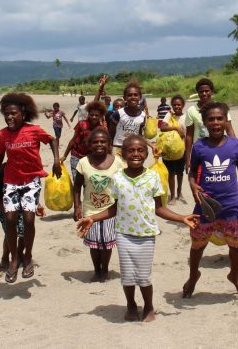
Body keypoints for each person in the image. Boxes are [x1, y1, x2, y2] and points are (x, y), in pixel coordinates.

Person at [77, 134, 197, 322]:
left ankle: (148, 306)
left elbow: (160, 208)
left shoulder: (153, 177)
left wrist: (182, 218)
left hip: (146, 234)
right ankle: (131, 305)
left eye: (140, 150)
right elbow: (114, 209)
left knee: (143, 276)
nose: (136, 153)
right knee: (127, 276)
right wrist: (93, 218)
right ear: (123, 154)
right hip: (124, 234)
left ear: (146, 153)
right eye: (131, 150)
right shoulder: (117, 179)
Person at [182, 102, 238, 298]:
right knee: (197, 244)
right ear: (205, 122)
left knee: (236, 244)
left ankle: (234, 276)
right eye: (211, 119)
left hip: (231, 205)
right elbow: (192, 173)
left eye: (220, 119)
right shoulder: (199, 147)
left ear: (226, 121)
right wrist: (193, 186)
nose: (216, 123)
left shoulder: (235, 145)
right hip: (206, 205)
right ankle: (193, 275)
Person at [0, 93, 61, 284]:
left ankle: (27, 256)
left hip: (31, 180)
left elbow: (53, 140)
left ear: (23, 113)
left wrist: (56, 160)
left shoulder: (34, 130)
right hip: (11, 181)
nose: (9, 117)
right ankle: (14, 259)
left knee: (29, 219)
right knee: (10, 219)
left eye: (13, 113)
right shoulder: (2, 135)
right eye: (6, 114)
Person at [73, 129, 124, 282]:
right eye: (95, 142)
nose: (99, 144)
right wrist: (77, 206)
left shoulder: (118, 162)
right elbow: (77, 187)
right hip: (90, 210)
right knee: (94, 243)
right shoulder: (83, 163)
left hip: (111, 209)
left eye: (103, 141)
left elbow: (123, 186)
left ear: (109, 144)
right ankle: (97, 270)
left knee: (106, 243)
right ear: (90, 144)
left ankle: (105, 270)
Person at [185, 78, 235, 169]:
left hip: (220, 149)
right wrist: (188, 158)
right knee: (200, 178)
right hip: (201, 151)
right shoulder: (191, 111)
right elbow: (189, 135)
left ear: (211, 91)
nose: (204, 94)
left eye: (207, 91)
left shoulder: (221, 108)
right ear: (198, 93)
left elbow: (229, 130)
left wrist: (235, 148)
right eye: (201, 91)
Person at [61, 101, 107, 180]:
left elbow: (103, 145)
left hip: (90, 158)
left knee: (88, 182)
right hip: (76, 155)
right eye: (92, 115)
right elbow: (73, 140)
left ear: (100, 116)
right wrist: (64, 156)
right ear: (88, 114)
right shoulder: (81, 124)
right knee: (76, 181)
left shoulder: (101, 129)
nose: (94, 117)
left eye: (96, 115)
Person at [109, 81, 154, 159]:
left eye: (136, 95)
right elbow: (110, 134)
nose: (133, 97)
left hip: (133, 150)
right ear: (124, 98)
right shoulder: (118, 114)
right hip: (118, 149)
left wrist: (152, 146)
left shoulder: (142, 115)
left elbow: (139, 135)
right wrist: (109, 150)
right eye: (129, 95)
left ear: (140, 97)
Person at [159, 95, 187, 204]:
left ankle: (179, 192)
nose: (177, 106)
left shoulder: (186, 117)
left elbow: (188, 133)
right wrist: (176, 127)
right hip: (168, 150)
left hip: (181, 151)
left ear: (183, 105)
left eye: (179, 104)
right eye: (174, 104)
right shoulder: (169, 115)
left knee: (180, 173)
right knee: (171, 173)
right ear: (172, 106)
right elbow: (162, 127)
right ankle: (173, 196)